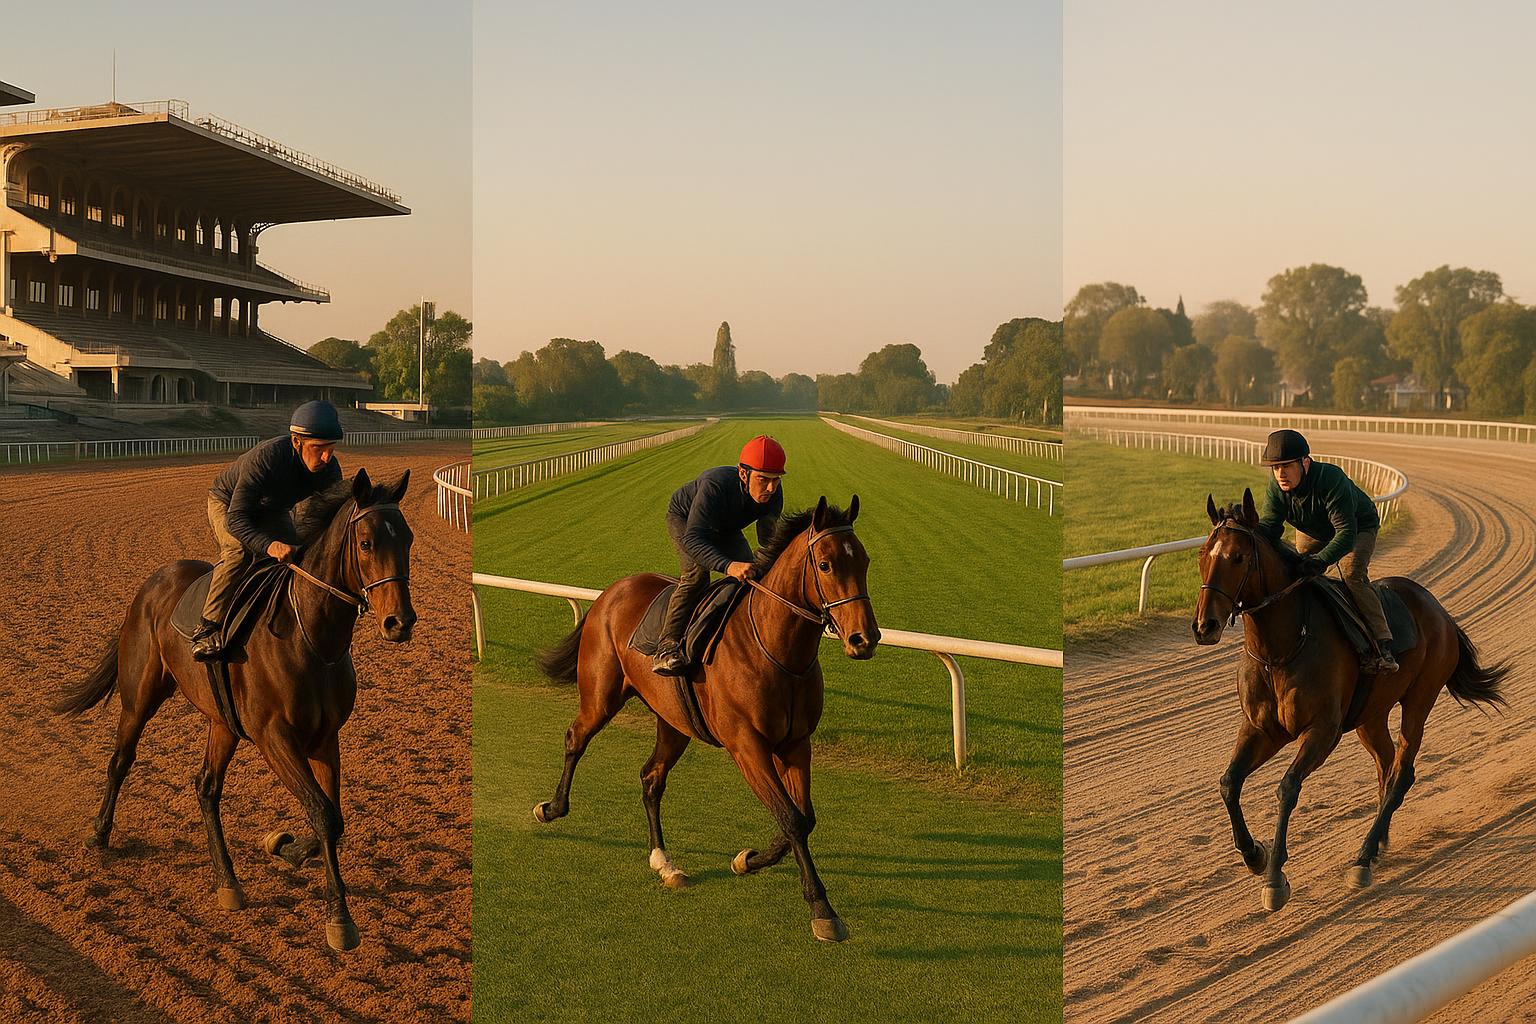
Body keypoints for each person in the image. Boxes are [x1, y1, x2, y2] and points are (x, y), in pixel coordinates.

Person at [189, 400, 345, 661]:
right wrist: (270, 546)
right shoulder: (267, 457)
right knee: (239, 553)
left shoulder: (329, 469)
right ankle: (208, 627)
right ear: (297, 442)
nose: (326, 457)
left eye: (331, 448)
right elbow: (236, 520)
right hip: (228, 505)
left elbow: (329, 519)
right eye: (318, 448)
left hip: (272, 510)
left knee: (301, 555)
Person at [1256, 428, 1396, 674]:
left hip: (1357, 526)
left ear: (1305, 463)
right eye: (1276, 468)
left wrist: (1321, 561)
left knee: (1352, 575)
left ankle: (1382, 643)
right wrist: (1248, 530)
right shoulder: (1276, 487)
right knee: (1296, 575)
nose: (1281, 474)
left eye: (1287, 466)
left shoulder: (1332, 478)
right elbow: (1270, 527)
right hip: (1314, 530)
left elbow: (1345, 533)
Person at [651, 435, 786, 677]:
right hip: (687, 522)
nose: (770, 488)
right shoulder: (715, 485)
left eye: (776, 481)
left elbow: (768, 539)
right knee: (696, 577)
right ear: (743, 474)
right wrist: (729, 565)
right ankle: (666, 647)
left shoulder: (773, 493)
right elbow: (694, 539)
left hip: (726, 528)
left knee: (753, 576)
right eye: (763, 480)